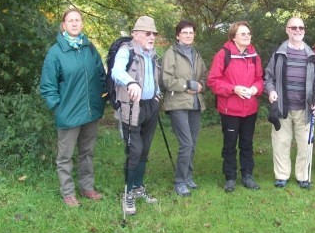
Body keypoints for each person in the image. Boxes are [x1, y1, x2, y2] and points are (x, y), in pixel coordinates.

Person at [40, 7, 106, 207]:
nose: (75, 23)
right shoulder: (55, 53)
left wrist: (101, 99)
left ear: (82, 24)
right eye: (71, 20)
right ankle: (68, 193)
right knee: (65, 156)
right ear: (63, 25)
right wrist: (58, 107)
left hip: (90, 111)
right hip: (68, 114)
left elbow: (100, 76)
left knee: (87, 152)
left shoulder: (89, 48)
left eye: (78, 20)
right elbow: (47, 86)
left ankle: (87, 187)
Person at [264, 17, 315, 189]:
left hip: (305, 108)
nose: (298, 30)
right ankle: (281, 175)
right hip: (282, 107)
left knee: (305, 144)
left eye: (301, 28)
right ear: (287, 30)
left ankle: (303, 176)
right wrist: (271, 91)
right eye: (294, 27)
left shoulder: (312, 56)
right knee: (281, 142)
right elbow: (268, 77)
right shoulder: (278, 54)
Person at [112, 16, 161, 216]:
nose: (152, 37)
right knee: (135, 150)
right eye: (148, 33)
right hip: (131, 107)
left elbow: (154, 78)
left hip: (150, 105)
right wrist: (131, 82)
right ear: (136, 34)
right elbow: (116, 71)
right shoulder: (127, 51)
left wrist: (157, 95)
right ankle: (128, 194)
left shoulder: (153, 54)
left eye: (154, 34)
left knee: (145, 149)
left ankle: (138, 187)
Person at [207, 21, 264, 192]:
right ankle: (230, 177)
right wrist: (234, 89)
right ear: (233, 37)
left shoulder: (254, 55)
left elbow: (260, 79)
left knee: (247, 143)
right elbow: (213, 81)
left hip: (250, 108)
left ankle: (247, 175)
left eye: (248, 33)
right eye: (242, 34)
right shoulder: (223, 54)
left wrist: (255, 89)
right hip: (230, 109)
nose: (247, 36)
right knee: (230, 145)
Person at [162, 20, 208, 197]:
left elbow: (204, 75)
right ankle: (179, 182)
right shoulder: (171, 54)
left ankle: (188, 176)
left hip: (195, 103)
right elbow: (166, 80)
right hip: (177, 104)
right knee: (186, 143)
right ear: (177, 35)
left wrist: (201, 86)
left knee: (193, 144)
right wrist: (187, 85)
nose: (188, 35)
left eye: (191, 32)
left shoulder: (196, 54)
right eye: (185, 32)